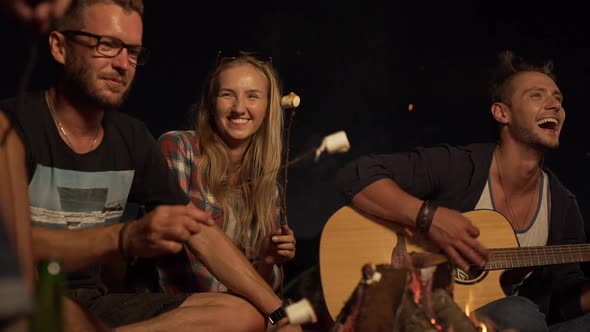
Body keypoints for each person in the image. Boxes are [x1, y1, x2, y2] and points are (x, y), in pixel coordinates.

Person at [0, 0, 295, 331]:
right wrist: (124, 236)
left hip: (97, 303)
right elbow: (12, 250)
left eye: (133, 52)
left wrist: (279, 313)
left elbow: (201, 233)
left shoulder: (131, 136)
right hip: (27, 293)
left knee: (245, 315)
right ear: (59, 46)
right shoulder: (12, 127)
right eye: (107, 45)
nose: (123, 64)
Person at [336, 50, 590, 332]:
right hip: (425, 316)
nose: (555, 105)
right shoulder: (459, 166)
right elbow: (356, 176)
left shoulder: (563, 205)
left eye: (558, 98)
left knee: (525, 314)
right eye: (537, 95)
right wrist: (428, 217)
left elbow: (563, 305)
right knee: (519, 313)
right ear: (501, 112)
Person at [156, 52, 296, 295]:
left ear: (267, 108)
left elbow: (262, 289)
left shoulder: (267, 188)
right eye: (227, 94)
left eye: (252, 96)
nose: (239, 108)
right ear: (211, 104)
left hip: (236, 312)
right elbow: (175, 253)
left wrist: (268, 260)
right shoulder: (179, 147)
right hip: (177, 305)